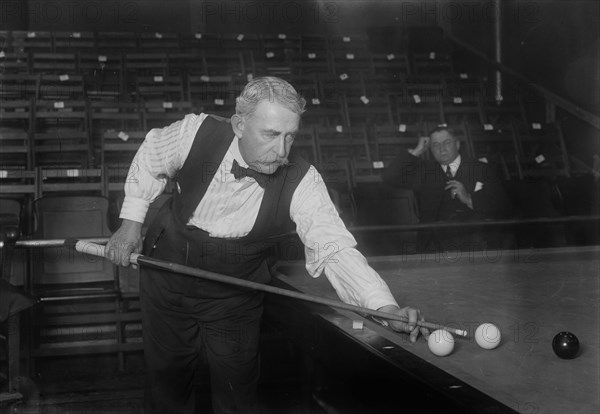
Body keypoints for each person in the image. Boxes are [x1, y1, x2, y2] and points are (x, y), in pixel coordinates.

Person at [105, 77, 428, 414]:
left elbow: (334, 247)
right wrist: (130, 224)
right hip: (166, 275)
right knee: (166, 387)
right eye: (271, 135)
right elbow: (152, 154)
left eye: (290, 136)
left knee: (237, 395)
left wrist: (384, 308)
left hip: (234, 294)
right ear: (239, 125)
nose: (281, 151)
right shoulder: (196, 131)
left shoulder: (302, 179)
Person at [383, 125, 513, 252]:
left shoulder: (482, 169)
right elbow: (389, 177)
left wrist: (469, 199)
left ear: (457, 144)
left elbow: (503, 206)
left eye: (447, 143)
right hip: (433, 248)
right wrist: (417, 151)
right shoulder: (424, 171)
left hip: (474, 245)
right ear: (430, 149)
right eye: (435, 145)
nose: (441, 149)